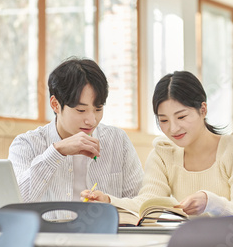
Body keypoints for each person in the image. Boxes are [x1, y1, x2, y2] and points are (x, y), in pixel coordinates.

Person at [82, 70, 233, 216]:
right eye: (164, 120)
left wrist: (210, 202)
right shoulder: (164, 153)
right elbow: (146, 205)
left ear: (203, 109)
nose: (173, 129)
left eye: (181, 116)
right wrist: (108, 201)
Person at [8, 57, 144, 205]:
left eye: (98, 109)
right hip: (46, 229)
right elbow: (16, 201)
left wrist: (111, 202)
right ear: (55, 105)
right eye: (81, 110)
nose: (92, 120)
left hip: (103, 228)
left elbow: (140, 203)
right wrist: (57, 151)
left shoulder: (118, 140)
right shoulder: (26, 144)